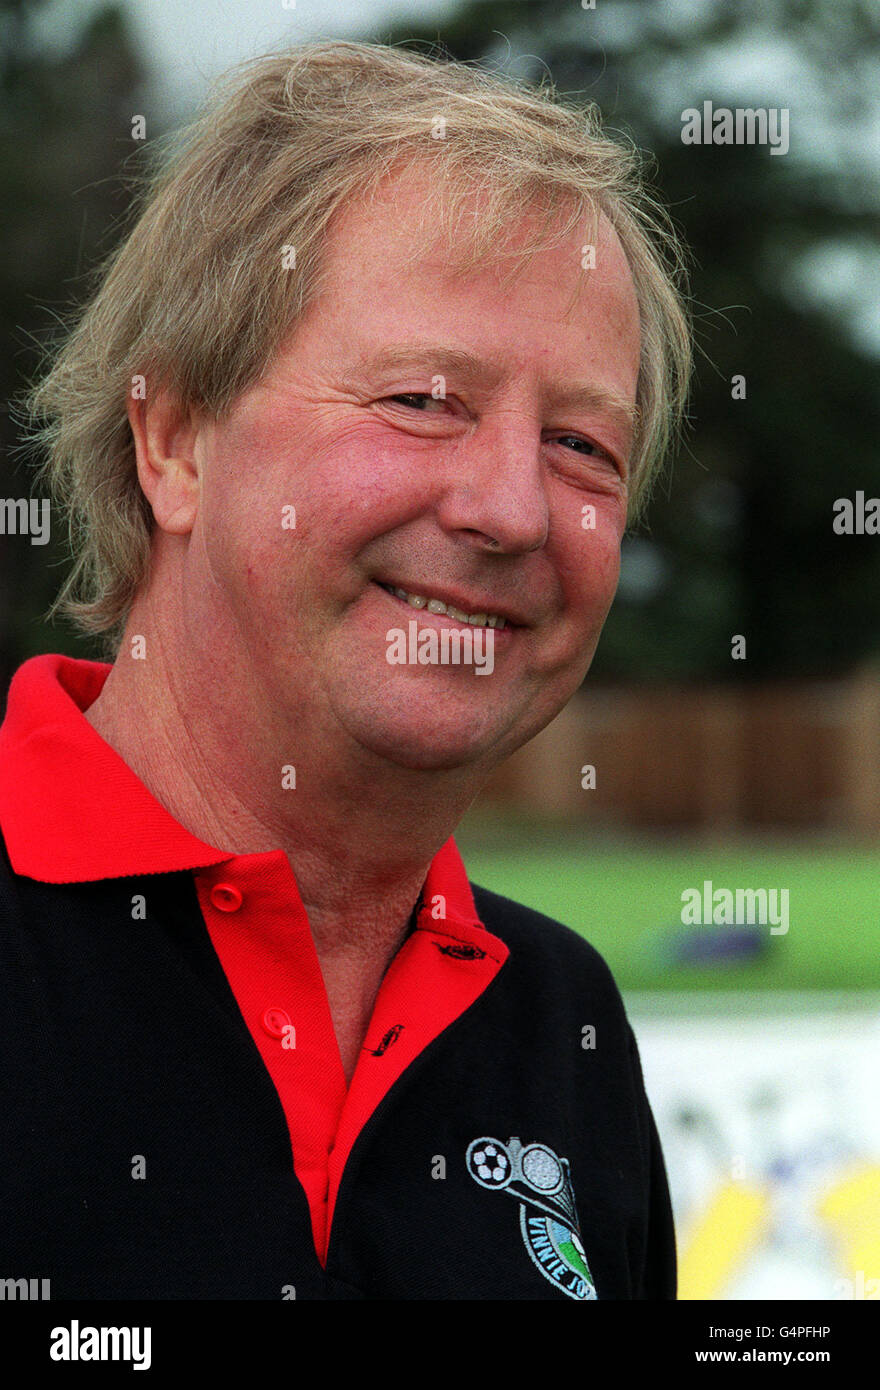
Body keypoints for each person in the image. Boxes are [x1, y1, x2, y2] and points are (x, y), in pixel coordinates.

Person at [0, 40, 690, 1300]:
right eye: (425, 398)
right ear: (174, 442)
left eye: (582, 443)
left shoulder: (560, 1023)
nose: (511, 510)